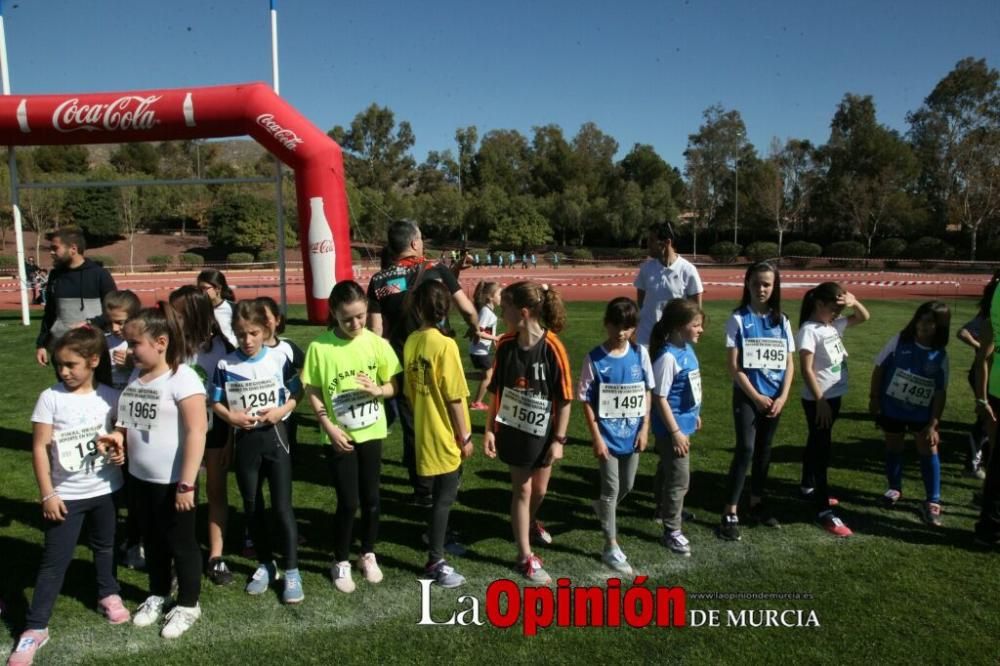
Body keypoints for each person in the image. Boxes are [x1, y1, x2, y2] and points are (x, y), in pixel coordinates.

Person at [8, 328, 128, 666]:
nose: (63, 371)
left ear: (93, 361)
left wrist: (120, 449)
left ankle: (108, 592)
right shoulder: (51, 397)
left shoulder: (110, 396)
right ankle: (35, 627)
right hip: (67, 496)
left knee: (105, 546)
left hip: (107, 490)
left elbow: (121, 435)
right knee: (53, 561)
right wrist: (48, 494)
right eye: (60, 365)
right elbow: (39, 447)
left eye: (71, 365)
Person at [103, 306, 207, 639]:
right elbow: (126, 419)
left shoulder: (183, 379)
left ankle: (189, 604)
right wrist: (118, 436)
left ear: (161, 342)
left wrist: (187, 483)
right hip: (139, 478)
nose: (129, 350)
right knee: (153, 540)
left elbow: (196, 432)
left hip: (174, 481)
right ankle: (158, 593)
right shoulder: (137, 375)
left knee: (182, 544)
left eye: (135, 344)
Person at [366, 219, 478, 507]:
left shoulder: (379, 280)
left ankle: (421, 487)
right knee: (448, 415)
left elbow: (376, 332)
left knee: (412, 426)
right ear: (415, 243)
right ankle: (447, 477)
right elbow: (467, 309)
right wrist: (475, 327)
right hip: (439, 357)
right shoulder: (435, 269)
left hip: (403, 362)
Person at [303, 281, 401, 593]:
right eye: (347, 319)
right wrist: (328, 427)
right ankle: (341, 560)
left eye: (360, 316)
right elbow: (313, 389)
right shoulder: (321, 348)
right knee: (348, 501)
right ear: (333, 313)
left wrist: (378, 390)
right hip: (338, 437)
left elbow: (393, 385)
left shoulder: (376, 343)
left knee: (372, 499)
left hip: (372, 432)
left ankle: (367, 553)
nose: (355, 324)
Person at [210, 301, 304, 604]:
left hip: (276, 440)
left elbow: (297, 391)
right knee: (252, 506)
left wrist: (281, 411)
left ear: (265, 330)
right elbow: (215, 402)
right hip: (246, 444)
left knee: (282, 507)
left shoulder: (277, 359)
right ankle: (266, 563)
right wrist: (231, 418)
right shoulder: (226, 365)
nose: (247, 340)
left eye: (253, 333)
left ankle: (291, 570)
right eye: (241, 335)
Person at [483, 282, 572, 585]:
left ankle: (529, 522)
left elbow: (565, 398)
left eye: (505, 308)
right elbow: (497, 390)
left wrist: (559, 441)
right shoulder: (506, 344)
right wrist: (489, 429)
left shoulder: (553, 347)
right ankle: (524, 555)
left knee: (540, 491)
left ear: (522, 312)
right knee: (521, 490)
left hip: (544, 434)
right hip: (513, 430)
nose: (501, 313)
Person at [403, 280, 474, 587]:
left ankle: (433, 537)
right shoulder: (445, 345)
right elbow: (456, 397)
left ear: (419, 308)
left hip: (423, 428)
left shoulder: (411, 341)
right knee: (444, 497)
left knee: (435, 496)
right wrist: (466, 436)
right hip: (445, 432)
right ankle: (435, 559)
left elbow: (409, 391)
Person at [718, 263, 795, 541]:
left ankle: (757, 502)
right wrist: (756, 396)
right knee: (746, 448)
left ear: (774, 287)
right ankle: (730, 510)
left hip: (775, 398)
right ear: (747, 284)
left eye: (767, 284)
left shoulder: (782, 320)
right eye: (756, 284)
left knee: (764, 450)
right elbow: (733, 366)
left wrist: (783, 396)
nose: (761, 289)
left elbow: (789, 364)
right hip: (749, 395)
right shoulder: (738, 318)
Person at [578, 297, 653, 574]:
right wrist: (596, 436)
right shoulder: (594, 358)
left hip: (632, 435)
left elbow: (647, 390)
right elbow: (585, 399)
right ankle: (611, 546)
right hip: (607, 436)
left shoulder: (640, 354)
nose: (622, 333)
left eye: (628, 327)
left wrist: (645, 428)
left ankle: (601, 507)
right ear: (606, 324)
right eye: (616, 326)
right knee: (611, 489)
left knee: (628, 486)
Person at [168, 286, 236, 586]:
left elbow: (233, 399)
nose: (172, 318)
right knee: (184, 490)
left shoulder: (222, 348)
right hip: (181, 429)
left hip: (217, 428)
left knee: (216, 491)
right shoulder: (170, 346)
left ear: (194, 315)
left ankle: (216, 556)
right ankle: (183, 552)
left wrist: (231, 439)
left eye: (178, 313)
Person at [796, 282, 870, 538]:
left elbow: (863, 316)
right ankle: (822, 508)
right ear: (819, 304)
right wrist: (820, 401)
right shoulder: (809, 330)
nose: (838, 313)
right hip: (820, 399)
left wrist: (854, 300)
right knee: (822, 448)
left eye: (840, 308)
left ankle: (808, 486)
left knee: (816, 441)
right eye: (834, 308)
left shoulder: (832, 326)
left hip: (834, 396)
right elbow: (805, 369)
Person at [870, 301, 950, 526]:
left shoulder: (940, 355)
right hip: (892, 407)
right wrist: (874, 398)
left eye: (931, 322)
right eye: (920, 320)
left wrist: (934, 423)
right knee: (893, 445)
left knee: (928, 449)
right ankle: (894, 488)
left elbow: (940, 392)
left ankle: (932, 500)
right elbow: (879, 368)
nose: (923, 326)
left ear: (940, 326)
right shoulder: (899, 341)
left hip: (922, 415)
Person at [649, 298, 704, 557]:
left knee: (666, 468)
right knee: (680, 479)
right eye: (696, 325)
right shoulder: (668, 357)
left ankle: (663, 509)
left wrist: (695, 413)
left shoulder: (686, 349)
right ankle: (672, 529)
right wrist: (675, 432)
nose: (701, 330)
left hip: (683, 422)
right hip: (672, 429)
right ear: (680, 327)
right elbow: (660, 397)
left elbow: (688, 386)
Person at [98, 290, 144, 572]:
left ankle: (136, 540)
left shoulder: (142, 344)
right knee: (111, 481)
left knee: (135, 483)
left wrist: (132, 363)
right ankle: (112, 539)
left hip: (136, 422)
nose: (116, 328)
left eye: (120, 322)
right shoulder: (103, 342)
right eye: (111, 322)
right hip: (107, 418)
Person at [35, 228, 117, 367]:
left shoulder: (100, 275)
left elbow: (114, 309)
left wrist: (90, 325)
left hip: (93, 349)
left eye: (55, 248)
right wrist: (41, 344)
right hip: (60, 347)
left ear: (73, 248)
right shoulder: (55, 276)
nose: (51, 252)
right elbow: (49, 313)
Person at [956, 273, 1000, 480]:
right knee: (984, 421)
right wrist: (980, 347)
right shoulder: (987, 317)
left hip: (991, 376)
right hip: (984, 376)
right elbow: (962, 332)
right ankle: (971, 463)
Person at [634, 221, 703, 349]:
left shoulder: (688, 270)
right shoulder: (645, 269)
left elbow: (696, 309)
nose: (648, 244)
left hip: (675, 340)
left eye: (652, 240)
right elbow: (641, 302)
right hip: (645, 338)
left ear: (667, 242)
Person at [973, 279, 1000, 548]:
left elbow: (983, 356)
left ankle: (988, 527)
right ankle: (989, 529)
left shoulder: (996, 294)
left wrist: (982, 398)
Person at [469, 281, 503, 411]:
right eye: (499, 294)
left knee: (486, 375)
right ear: (490, 297)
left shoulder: (488, 311)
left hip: (480, 350)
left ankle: (476, 402)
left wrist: (494, 342)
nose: (501, 297)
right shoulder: (486, 312)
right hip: (479, 351)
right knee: (488, 376)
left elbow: (486, 330)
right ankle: (476, 403)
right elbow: (479, 331)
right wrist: (495, 338)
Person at [196, 269, 237, 348]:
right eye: (199, 288)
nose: (201, 292)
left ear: (218, 288)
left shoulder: (234, 308)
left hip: (230, 355)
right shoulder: (196, 310)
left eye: (205, 288)